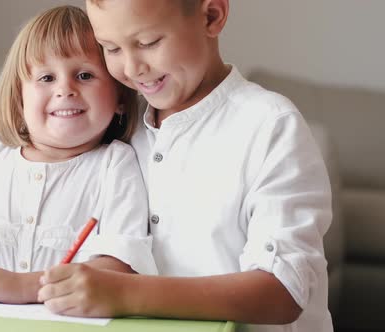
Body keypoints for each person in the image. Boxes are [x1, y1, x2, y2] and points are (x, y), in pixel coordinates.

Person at [37, 1, 333, 331]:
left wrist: (126, 293)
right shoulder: (120, 122)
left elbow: (283, 292)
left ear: (212, 16)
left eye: (148, 43)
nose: (132, 68)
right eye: (111, 48)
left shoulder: (270, 126)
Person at [0, 5, 157, 305]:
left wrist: (27, 287)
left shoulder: (116, 165)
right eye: (46, 78)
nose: (65, 89)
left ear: (120, 100)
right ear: (19, 98)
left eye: (85, 75)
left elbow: (119, 268)